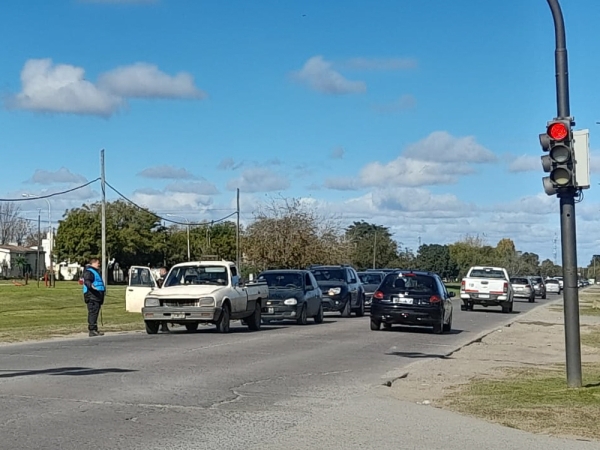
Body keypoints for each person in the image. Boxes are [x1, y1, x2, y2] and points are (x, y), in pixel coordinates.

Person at [82, 258, 106, 337]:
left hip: (97, 296)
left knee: (95, 313)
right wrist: (91, 286)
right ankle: (92, 330)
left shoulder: (95, 271)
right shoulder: (89, 271)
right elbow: (87, 281)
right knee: (93, 313)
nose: (99, 265)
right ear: (93, 263)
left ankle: (95, 329)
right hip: (92, 296)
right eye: (98, 263)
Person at [156, 267, 169, 332]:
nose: (159, 273)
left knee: (162, 311)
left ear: (164, 271)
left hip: (164, 297)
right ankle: (164, 326)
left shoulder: (165, 278)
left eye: (160, 271)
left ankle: (164, 326)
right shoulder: (170, 276)